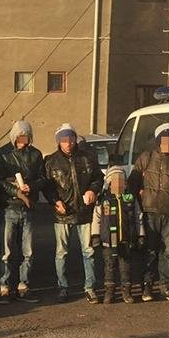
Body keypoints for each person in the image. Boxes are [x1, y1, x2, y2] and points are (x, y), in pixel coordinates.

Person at [129, 122, 169, 303]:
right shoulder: (145, 158)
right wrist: (133, 206)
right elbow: (132, 184)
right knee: (149, 251)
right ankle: (147, 287)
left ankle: (166, 287)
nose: (168, 142)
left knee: (168, 251)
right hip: (148, 213)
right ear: (158, 141)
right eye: (165, 139)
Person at [42, 124, 104, 304]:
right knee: (61, 253)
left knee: (89, 251)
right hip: (62, 214)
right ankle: (63, 287)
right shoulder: (51, 161)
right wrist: (55, 201)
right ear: (58, 142)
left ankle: (90, 288)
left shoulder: (87, 157)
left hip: (85, 212)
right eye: (64, 140)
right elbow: (47, 186)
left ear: (75, 140)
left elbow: (98, 178)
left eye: (70, 139)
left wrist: (93, 190)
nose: (68, 143)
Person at [0, 120, 45, 304]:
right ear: (14, 137)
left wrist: (32, 187)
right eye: (21, 137)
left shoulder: (36, 155)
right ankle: (4, 287)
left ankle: (24, 286)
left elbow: (42, 178)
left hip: (28, 208)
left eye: (27, 137)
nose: (24, 141)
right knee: (6, 251)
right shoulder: (1, 155)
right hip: (8, 207)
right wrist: (17, 192)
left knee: (28, 251)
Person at [94, 166, 142, 304]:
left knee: (125, 266)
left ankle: (126, 291)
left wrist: (141, 235)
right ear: (109, 182)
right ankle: (109, 292)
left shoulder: (130, 198)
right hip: (108, 240)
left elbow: (138, 217)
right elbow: (96, 218)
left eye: (122, 181)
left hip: (126, 239)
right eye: (115, 181)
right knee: (109, 266)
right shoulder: (103, 199)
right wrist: (95, 236)